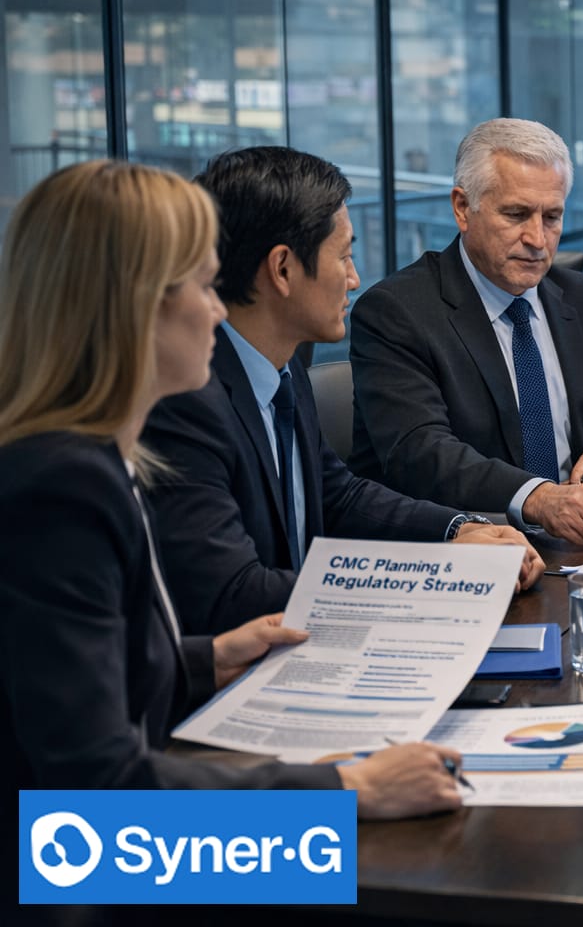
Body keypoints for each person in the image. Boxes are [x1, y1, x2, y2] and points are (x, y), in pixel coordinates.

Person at [0, 160, 462, 817]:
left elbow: (75, 680)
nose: (219, 311)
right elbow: (98, 782)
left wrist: (200, 662)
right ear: (138, 306)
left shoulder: (84, 459)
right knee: (383, 887)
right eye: (205, 284)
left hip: (93, 841)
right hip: (69, 876)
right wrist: (347, 791)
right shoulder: (61, 487)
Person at [140, 147, 543, 634]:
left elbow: (337, 495)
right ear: (283, 269)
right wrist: (437, 579)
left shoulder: (285, 360)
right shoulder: (186, 399)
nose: (354, 279)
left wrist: (458, 531)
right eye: (345, 255)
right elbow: (233, 592)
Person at [348, 118, 583, 546]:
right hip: (472, 549)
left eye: (552, 217)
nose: (538, 239)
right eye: (517, 214)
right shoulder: (397, 311)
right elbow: (422, 454)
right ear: (463, 208)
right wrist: (539, 498)